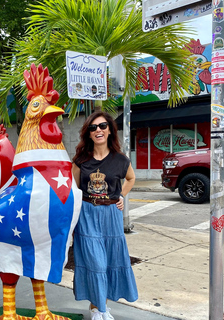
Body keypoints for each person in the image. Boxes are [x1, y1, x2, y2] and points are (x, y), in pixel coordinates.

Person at [71, 111, 138, 320]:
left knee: (108, 262)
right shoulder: (81, 160)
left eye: (102, 126)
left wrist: (121, 195)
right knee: (95, 264)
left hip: (111, 215)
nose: (98, 130)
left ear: (109, 130)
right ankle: (97, 308)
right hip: (87, 214)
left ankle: (102, 307)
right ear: (88, 134)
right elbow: (73, 190)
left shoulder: (120, 159)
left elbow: (131, 178)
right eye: (93, 128)